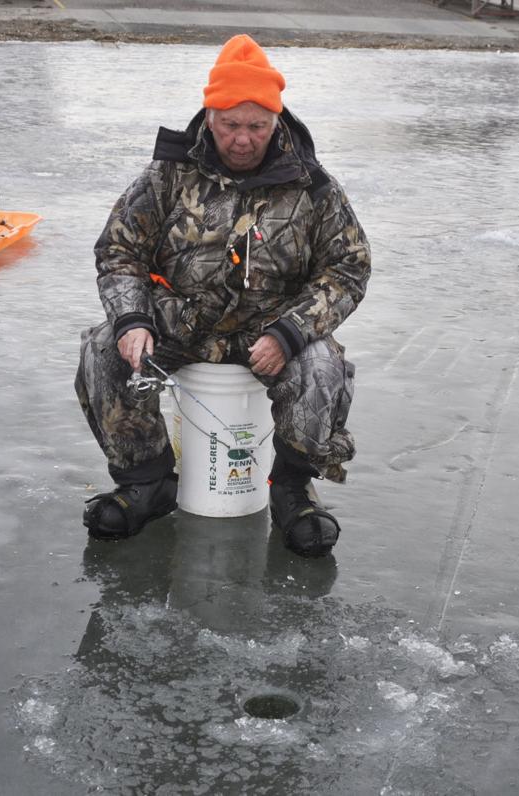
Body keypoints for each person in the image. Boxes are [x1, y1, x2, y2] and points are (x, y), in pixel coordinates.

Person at [75, 34, 371, 557]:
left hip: (271, 330)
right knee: (103, 349)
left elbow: (349, 267)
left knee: (322, 366)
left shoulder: (313, 186)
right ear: (209, 117)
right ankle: (146, 481)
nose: (242, 139)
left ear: (277, 120)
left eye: (257, 126)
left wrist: (290, 332)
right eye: (231, 124)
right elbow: (119, 250)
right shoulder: (168, 174)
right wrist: (133, 320)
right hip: (179, 325)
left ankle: (292, 491)